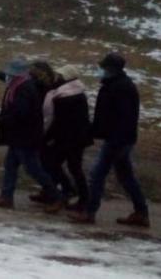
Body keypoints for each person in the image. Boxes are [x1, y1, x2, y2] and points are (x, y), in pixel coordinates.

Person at [70, 53, 150, 228]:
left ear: (110, 69)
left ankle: (89, 212)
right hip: (120, 138)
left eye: (103, 67)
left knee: (97, 175)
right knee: (126, 176)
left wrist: (106, 135)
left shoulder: (120, 87)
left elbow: (120, 117)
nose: (101, 70)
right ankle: (141, 213)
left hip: (117, 139)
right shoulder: (116, 85)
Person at [0, 60, 65, 212]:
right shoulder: (20, 84)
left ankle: (57, 196)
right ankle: (6, 196)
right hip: (20, 135)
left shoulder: (24, 88)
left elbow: (21, 112)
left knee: (33, 168)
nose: (8, 75)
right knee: (11, 165)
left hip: (25, 136)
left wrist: (4, 120)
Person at [36, 65, 91, 211]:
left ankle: (68, 192)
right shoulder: (76, 92)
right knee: (70, 167)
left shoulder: (64, 96)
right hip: (77, 138)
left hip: (68, 138)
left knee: (52, 163)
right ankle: (73, 195)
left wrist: (46, 137)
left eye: (59, 75)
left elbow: (59, 122)